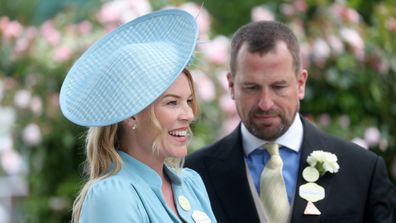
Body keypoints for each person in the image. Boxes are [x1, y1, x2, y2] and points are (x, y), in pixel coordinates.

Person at [185, 20, 395, 223]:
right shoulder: (193, 175)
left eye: (278, 86)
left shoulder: (362, 170)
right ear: (231, 86)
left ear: (301, 83)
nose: (265, 103)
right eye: (251, 87)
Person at [59, 9, 216, 223]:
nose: (189, 114)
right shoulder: (113, 195)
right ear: (131, 114)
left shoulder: (191, 183)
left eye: (188, 101)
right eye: (172, 102)